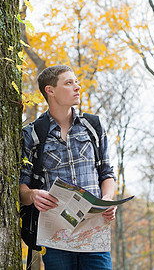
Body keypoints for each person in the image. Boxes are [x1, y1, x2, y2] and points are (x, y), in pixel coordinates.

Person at [19, 65, 116, 270]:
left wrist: (107, 199)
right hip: (55, 234)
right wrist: (33, 195)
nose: (77, 87)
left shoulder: (93, 126)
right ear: (50, 90)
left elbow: (106, 173)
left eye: (76, 82)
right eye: (69, 83)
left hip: (93, 232)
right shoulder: (32, 134)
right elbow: (21, 188)